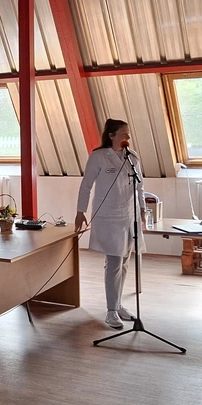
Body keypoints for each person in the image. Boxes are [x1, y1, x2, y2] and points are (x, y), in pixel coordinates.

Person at [75, 119, 147, 330]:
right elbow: (86, 186)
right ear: (112, 136)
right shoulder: (98, 156)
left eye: (128, 134)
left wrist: (143, 209)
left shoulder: (132, 157)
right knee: (114, 261)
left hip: (129, 216)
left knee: (124, 262)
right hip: (108, 217)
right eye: (124, 134)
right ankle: (110, 311)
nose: (128, 138)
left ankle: (118, 304)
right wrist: (80, 212)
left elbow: (140, 186)